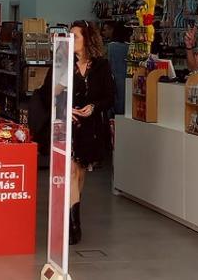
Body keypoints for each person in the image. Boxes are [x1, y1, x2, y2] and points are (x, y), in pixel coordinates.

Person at [66, 20, 115, 245]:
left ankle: (73, 208)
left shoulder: (101, 65)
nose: (71, 39)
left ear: (87, 39)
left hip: (91, 128)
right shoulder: (63, 63)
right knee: (72, 171)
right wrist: (65, 109)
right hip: (68, 126)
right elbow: (48, 92)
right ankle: (73, 227)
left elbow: (109, 95)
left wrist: (94, 107)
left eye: (75, 36)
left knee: (81, 172)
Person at [102, 21, 130, 115]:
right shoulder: (129, 47)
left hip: (113, 79)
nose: (103, 32)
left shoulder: (110, 47)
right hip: (127, 79)